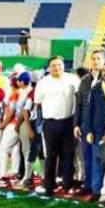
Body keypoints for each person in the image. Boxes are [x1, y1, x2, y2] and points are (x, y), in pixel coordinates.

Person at [34, 55, 78, 197]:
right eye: (53, 65)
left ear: (63, 65)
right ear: (49, 67)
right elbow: (38, 102)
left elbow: (79, 98)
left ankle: (68, 184)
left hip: (68, 122)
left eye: (59, 64)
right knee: (50, 156)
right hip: (50, 123)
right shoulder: (43, 82)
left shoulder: (72, 79)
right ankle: (49, 185)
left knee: (68, 155)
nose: (56, 67)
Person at [83, 59, 105, 201]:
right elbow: (90, 110)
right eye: (104, 71)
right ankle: (97, 191)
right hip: (98, 131)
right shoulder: (96, 88)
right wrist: (89, 130)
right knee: (98, 161)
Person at [74, 49, 105, 195]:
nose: (96, 61)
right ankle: (88, 185)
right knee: (86, 157)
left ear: (103, 61)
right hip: (85, 124)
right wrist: (76, 124)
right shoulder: (85, 80)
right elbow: (79, 103)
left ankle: (97, 188)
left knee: (98, 158)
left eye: (99, 58)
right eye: (93, 58)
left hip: (100, 126)